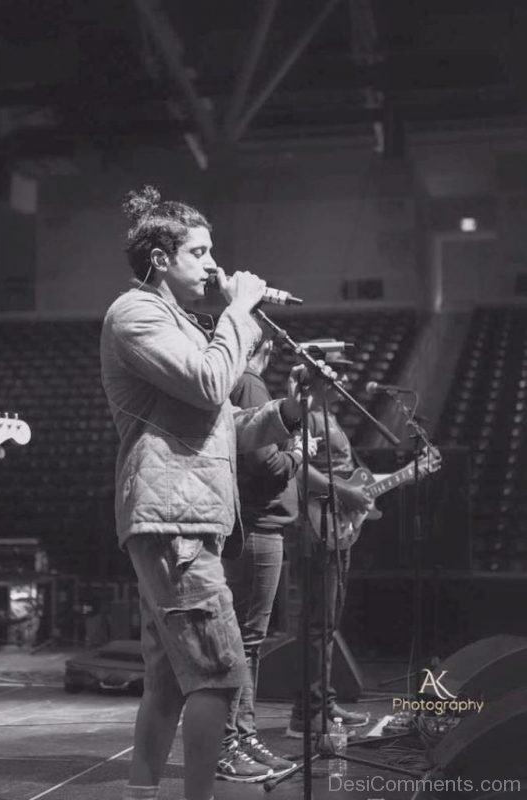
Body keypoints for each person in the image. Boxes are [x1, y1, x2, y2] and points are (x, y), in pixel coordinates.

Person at [100, 185, 314, 800]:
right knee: (220, 677)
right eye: (200, 252)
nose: (215, 265)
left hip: (185, 515)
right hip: (174, 519)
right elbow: (209, 381)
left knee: (169, 678)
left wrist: (289, 411)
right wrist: (238, 311)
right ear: (161, 259)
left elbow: (223, 420)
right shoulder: (134, 314)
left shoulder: (184, 324)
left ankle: (142, 792)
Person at [216, 334, 318, 783]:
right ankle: (235, 739)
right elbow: (268, 466)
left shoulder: (237, 383)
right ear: (266, 350)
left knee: (245, 640)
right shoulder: (251, 384)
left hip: (254, 527)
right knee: (246, 642)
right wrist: (299, 453)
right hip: (258, 528)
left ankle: (241, 736)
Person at [286, 352, 372, 738]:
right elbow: (300, 470)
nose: (344, 378)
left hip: (336, 525)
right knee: (318, 624)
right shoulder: (309, 415)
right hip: (317, 527)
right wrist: (348, 494)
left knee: (327, 623)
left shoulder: (328, 415)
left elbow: (337, 473)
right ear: (318, 377)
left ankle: (323, 701)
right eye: (337, 371)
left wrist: (355, 494)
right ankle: (308, 714)